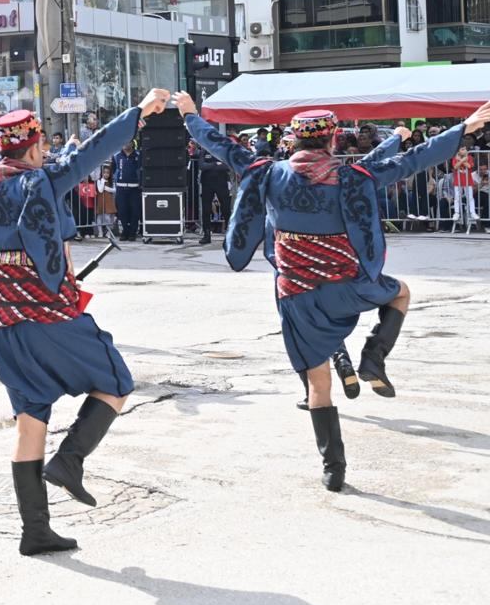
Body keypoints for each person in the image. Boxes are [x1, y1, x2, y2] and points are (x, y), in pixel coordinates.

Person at [182, 96, 490, 492]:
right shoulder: (353, 176)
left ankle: (334, 470)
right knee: (400, 294)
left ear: (292, 140)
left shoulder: (267, 173)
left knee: (317, 387)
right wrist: (463, 129)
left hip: (296, 294)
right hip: (348, 286)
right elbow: (415, 160)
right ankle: (374, 358)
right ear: (331, 141)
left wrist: (191, 114)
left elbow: (221, 145)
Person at [0, 91, 171, 556]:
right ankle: (70, 462)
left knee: (31, 419)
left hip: (3, 322)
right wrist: (138, 112)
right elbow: (96, 148)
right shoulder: (42, 181)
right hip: (50, 315)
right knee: (116, 382)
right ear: (34, 148)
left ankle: (35, 531)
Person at [112, 141, 141, 241]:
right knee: (122, 211)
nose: (125, 144)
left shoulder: (138, 155)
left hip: (135, 188)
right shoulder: (116, 156)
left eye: (127, 141)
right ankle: (125, 231)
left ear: (132, 143)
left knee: (135, 211)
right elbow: (113, 170)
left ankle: (133, 232)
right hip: (121, 188)